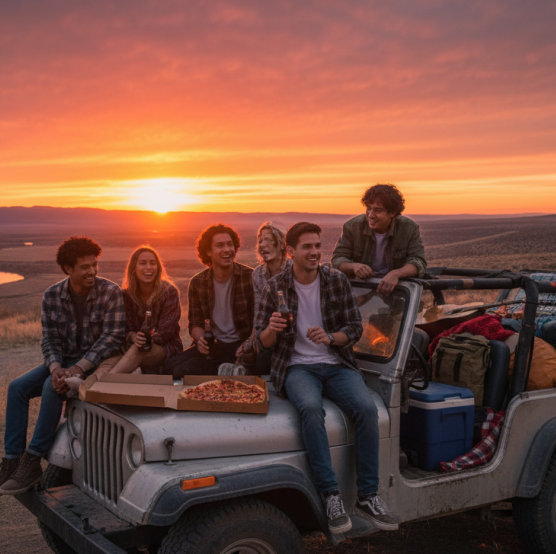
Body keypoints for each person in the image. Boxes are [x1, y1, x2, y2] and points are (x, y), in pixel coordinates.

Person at [256, 222, 398, 534]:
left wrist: (331, 337)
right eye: (307, 247)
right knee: (309, 408)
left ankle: (368, 496)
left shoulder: (336, 280)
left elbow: (355, 327)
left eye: (318, 246)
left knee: (366, 409)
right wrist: (272, 330)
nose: (315, 252)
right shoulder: (274, 287)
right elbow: (260, 342)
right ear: (290, 251)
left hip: (336, 363)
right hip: (297, 367)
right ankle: (330, 495)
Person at [0, 236, 124, 499]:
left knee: (51, 387)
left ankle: (33, 461)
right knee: (18, 388)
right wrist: (56, 366)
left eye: (94, 264)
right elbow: (49, 339)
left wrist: (78, 368)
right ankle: (12, 462)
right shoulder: (52, 295)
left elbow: (112, 338)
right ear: (68, 269)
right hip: (63, 361)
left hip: (95, 363)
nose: (92, 271)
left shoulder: (110, 291)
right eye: (84, 267)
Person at [163, 224, 254, 378]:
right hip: (213, 345)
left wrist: (249, 345)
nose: (227, 249)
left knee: (185, 371)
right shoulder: (198, 282)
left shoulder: (250, 277)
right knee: (169, 368)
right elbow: (195, 323)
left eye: (230, 244)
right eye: (220, 245)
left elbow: (259, 321)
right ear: (208, 251)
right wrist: (200, 340)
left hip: (241, 345)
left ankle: (231, 369)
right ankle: (226, 371)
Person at [87, 246, 182, 381]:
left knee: (140, 348)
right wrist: (132, 336)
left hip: (165, 348)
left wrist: (142, 338)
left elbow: (166, 332)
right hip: (133, 347)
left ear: (158, 268)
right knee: (111, 360)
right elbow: (125, 328)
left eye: (152, 263)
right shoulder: (125, 295)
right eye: (142, 263)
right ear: (133, 269)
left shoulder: (169, 292)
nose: (148, 267)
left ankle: (108, 380)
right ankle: (85, 385)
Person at [331, 183, 427, 296]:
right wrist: (354, 266)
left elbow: (418, 262)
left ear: (392, 212)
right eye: (368, 208)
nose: (371, 215)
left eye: (378, 210)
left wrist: (396, 274)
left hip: (397, 291)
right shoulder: (353, 226)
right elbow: (337, 259)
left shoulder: (409, 228)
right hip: (360, 290)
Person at [235, 222, 292, 375]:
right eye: (260, 241)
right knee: (256, 365)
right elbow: (258, 313)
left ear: (281, 244)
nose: (262, 245)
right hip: (269, 334)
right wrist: (252, 341)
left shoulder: (294, 269)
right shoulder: (258, 275)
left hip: (294, 334)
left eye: (268, 239)